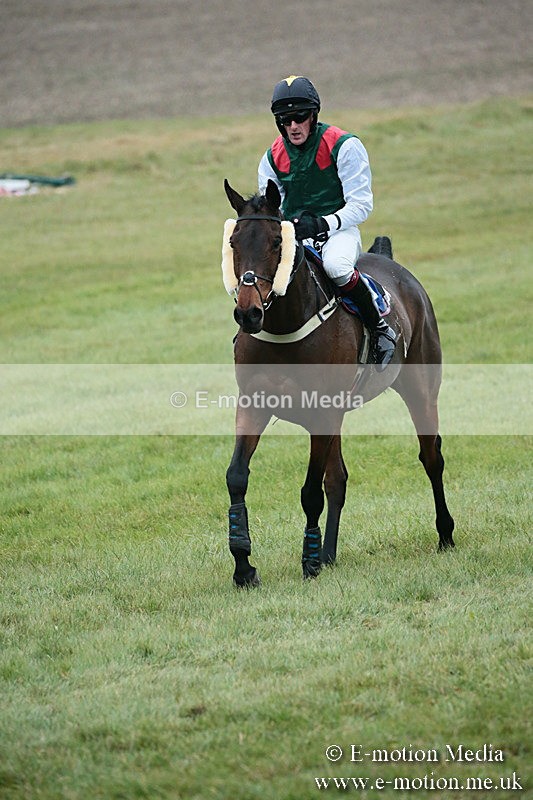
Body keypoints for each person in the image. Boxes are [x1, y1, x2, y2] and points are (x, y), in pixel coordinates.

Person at [258, 75, 396, 368]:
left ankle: (381, 330)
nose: (293, 126)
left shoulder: (344, 145)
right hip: (295, 237)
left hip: (340, 233)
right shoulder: (271, 159)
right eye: (285, 119)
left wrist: (324, 224)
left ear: (314, 115)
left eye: (300, 117)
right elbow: (272, 211)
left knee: (336, 266)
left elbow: (361, 205)